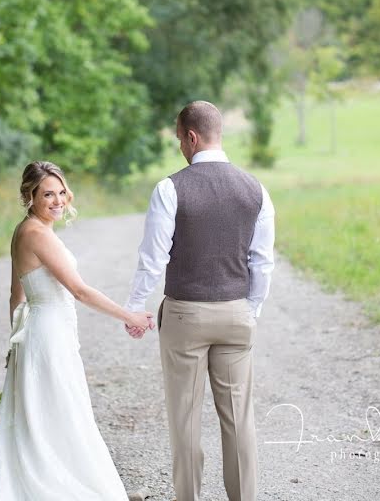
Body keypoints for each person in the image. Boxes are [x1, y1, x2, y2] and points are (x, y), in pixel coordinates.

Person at [124, 101, 275, 501]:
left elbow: (152, 258)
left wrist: (136, 306)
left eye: (178, 139)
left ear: (191, 136)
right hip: (237, 313)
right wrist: (250, 308)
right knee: (239, 420)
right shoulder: (256, 189)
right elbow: (262, 261)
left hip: (186, 315)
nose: (179, 146)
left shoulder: (170, 188)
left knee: (186, 419)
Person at [0, 161, 153, 500]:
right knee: (65, 413)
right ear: (30, 195)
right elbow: (79, 291)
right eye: (47, 194)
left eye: (61, 192)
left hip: (39, 334)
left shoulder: (26, 230)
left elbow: (16, 295)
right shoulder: (36, 234)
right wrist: (130, 315)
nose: (57, 200)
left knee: (52, 412)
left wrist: (16, 343)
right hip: (48, 336)